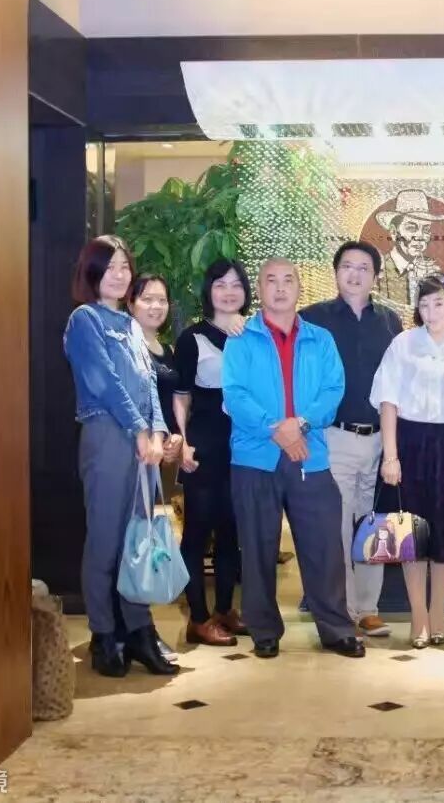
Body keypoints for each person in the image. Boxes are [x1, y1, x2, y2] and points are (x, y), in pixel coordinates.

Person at [223, 258, 364, 659]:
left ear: (300, 287)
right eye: (271, 280)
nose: (280, 288)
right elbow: (234, 394)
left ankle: (336, 629)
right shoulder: (241, 339)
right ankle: (264, 630)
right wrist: (276, 430)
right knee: (257, 547)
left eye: (288, 280)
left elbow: (333, 390)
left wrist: (299, 424)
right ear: (260, 288)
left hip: (310, 454)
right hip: (255, 458)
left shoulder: (320, 339)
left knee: (324, 547)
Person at [63, 235, 177, 677]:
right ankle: (104, 634)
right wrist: (139, 430)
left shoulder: (130, 325)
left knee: (138, 538)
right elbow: (104, 381)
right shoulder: (84, 320)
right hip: (108, 436)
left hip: (143, 442)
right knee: (107, 541)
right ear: (91, 271)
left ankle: (139, 630)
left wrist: (159, 431)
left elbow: (148, 384)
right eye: (109, 267)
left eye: (124, 267)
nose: (119, 274)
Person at [300, 240, 403, 639]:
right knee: (338, 527)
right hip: (335, 436)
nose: (355, 274)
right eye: (347, 266)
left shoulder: (390, 322)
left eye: (364, 267)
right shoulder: (313, 319)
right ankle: (342, 610)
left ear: (375, 276)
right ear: (336, 271)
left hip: (381, 439)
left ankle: (369, 609)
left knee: (374, 525)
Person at [370, 274, 444, 648]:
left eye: (439, 303)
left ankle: (438, 610)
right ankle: (417, 615)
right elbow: (388, 401)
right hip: (410, 443)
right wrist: (391, 456)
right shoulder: (404, 343)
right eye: (424, 304)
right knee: (410, 532)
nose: (431, 311)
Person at [172, 259, 252, 647]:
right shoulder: (192, 338)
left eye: (236, 285)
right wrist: (182, 441)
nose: (228, 292)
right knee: (198, 531)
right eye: (220, 284)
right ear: (209, 291)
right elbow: (181, 396)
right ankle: (198, 618)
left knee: (231, 532)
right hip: (204, 445)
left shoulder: (254, 334)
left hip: (244, 446)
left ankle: (223, 610)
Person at [126, 273, 185, 663]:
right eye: (147, 298)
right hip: (130, 454)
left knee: (142, 540)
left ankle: (136, 627)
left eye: (162, 299)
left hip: (156, 456)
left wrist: (174, 437)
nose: (155, 306)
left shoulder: (165, 349)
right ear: (131, 302)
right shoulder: (126, 345)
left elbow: (170, 400)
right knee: (129, 542)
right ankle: (128, 630)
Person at [373, 190, 444, 305]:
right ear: (394, 232)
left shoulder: (433, 272)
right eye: (411, 228)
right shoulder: (378, 272)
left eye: (426, 229)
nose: (420, 236)